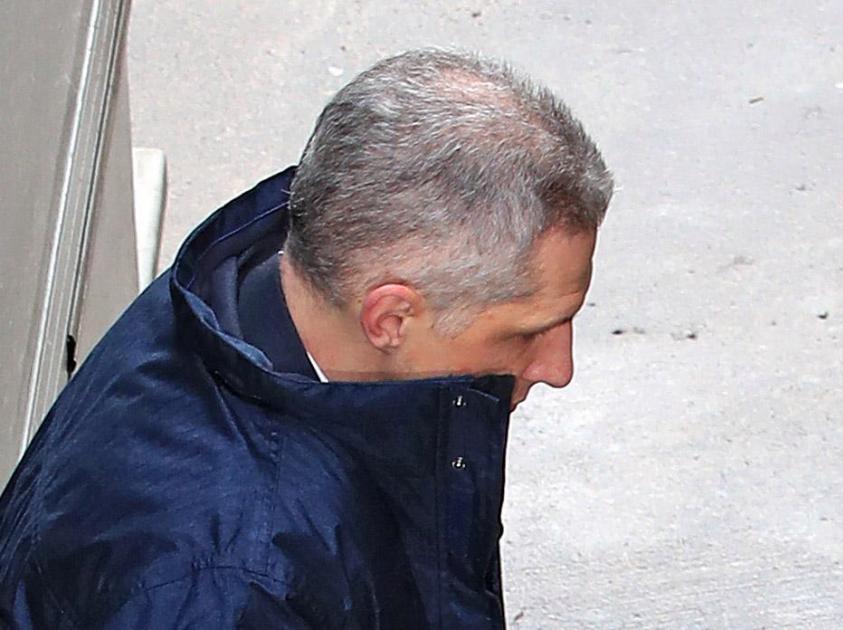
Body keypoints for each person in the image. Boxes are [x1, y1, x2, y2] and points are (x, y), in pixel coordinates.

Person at [0, 48, 613, 629]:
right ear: (390, 318)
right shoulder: (227, 588)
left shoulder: (250, 290)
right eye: (529, 332)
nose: (559, 367)